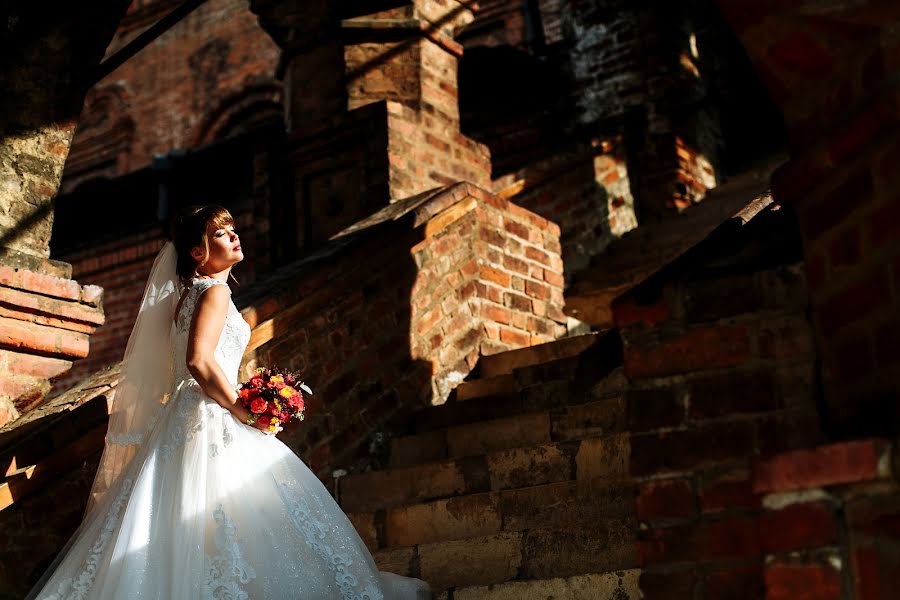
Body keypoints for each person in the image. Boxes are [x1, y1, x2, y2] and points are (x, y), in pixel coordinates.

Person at [26, 205, 431, 599]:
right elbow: (198, 360)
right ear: (197, 253)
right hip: (210, 412)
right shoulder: (215, 291)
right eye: (221, 233)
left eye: (232, 228)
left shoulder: (186, 298)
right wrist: (241, 406)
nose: (234, 235)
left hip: (185, 413)